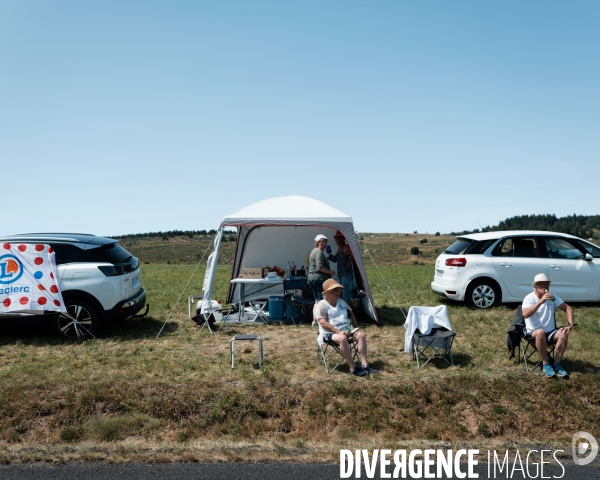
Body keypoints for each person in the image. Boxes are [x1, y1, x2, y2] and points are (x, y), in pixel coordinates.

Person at [315, 278, 378, 377]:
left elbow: (351, 314)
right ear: (328, 292)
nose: (338, 292)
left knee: (361, 335)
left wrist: (355, 328)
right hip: (330, 334)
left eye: (339, 289)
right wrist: (338, 332)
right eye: (336, 290)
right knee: (343, 338)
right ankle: (353, 366)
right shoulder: (322, 305)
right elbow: (323, 323)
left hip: (347, 331)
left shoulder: (341, 301)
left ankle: (365, 365)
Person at [522, 273, 574, 378]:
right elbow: (525, 314)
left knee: (563, 334)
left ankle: (557, 364)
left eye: (546, 284)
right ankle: (546, 364)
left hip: (550, 332)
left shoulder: (552, 297)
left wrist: (569, 324)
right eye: (541, 284)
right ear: (535, 286)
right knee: (540, 332)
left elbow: (568, 308)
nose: (545, 286)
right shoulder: (529, 298)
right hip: (533, 332)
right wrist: (540, 302)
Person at [308, 234, 335, 303]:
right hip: (319, 279)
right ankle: (321, 314)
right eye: (322, 241)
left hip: (312, 279)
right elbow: (319, 267)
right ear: (317, 242)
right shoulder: (318, 252)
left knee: (316, 301)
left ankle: (316, 313)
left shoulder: (314, 251)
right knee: (321, 301)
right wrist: (330, 272)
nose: (325, 243)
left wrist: (327, 258)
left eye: (326, 242)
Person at [332, 232, 355, 303]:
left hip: (346, 274)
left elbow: (353, 255)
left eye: (339, 239)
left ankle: (350, 313)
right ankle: (344, 312)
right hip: (341, 274)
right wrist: (330, 256)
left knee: (346, 296)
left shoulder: (346, 247)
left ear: (343, 239)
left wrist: (348, 263)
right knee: (341, 296)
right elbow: (335, 259)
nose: (338, 240)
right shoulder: (340, 248)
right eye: (337, 239)